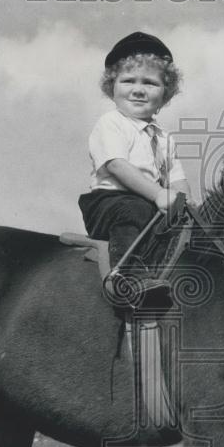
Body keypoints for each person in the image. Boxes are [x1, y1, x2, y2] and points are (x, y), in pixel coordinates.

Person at [78, 31, 192, 309]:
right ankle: (127, 277)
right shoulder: (111, 123)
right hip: (110, 202)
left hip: (152, 206)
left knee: (186, 230)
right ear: (112, 87)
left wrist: (186, 204)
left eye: (150, 83)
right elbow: (116, 165)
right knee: (133, 210)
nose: (138, 89)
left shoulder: (165, 138)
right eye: (128, 81)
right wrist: (156, 194)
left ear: (166, 93)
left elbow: (178, 181)